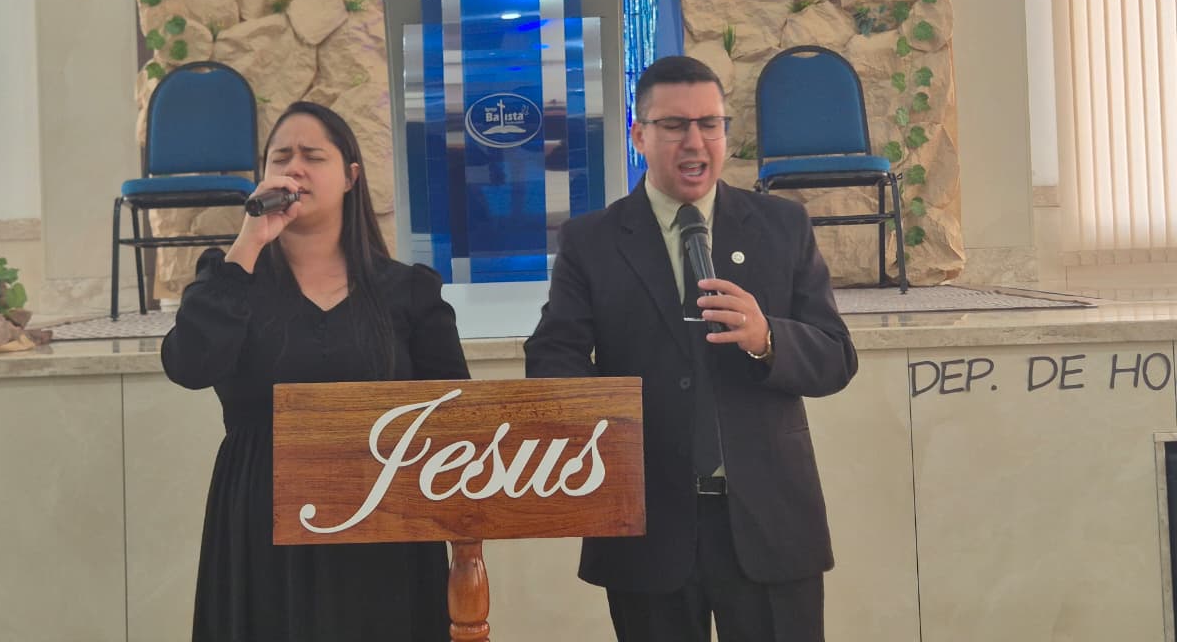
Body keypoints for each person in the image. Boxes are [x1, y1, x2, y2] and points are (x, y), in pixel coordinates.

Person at [524, 55, 857, 642]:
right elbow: (553, 358)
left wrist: (767, 338)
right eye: (675, 125)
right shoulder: (591, 240)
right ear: (639, 136)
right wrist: (608, 421)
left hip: (771, 520)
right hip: (647, 522)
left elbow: (836, 357)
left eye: (710, 124)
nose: (695, 141)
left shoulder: (782, 226)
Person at [162, 101, 470, 642]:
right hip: (263, 518)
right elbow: (188, 365)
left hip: (386, 518)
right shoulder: (230, 279)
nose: (295, 169)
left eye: (313, 156)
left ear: (351, 176)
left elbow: (456, 413)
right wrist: (248, 243)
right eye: (281, 157)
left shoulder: (409, 291)